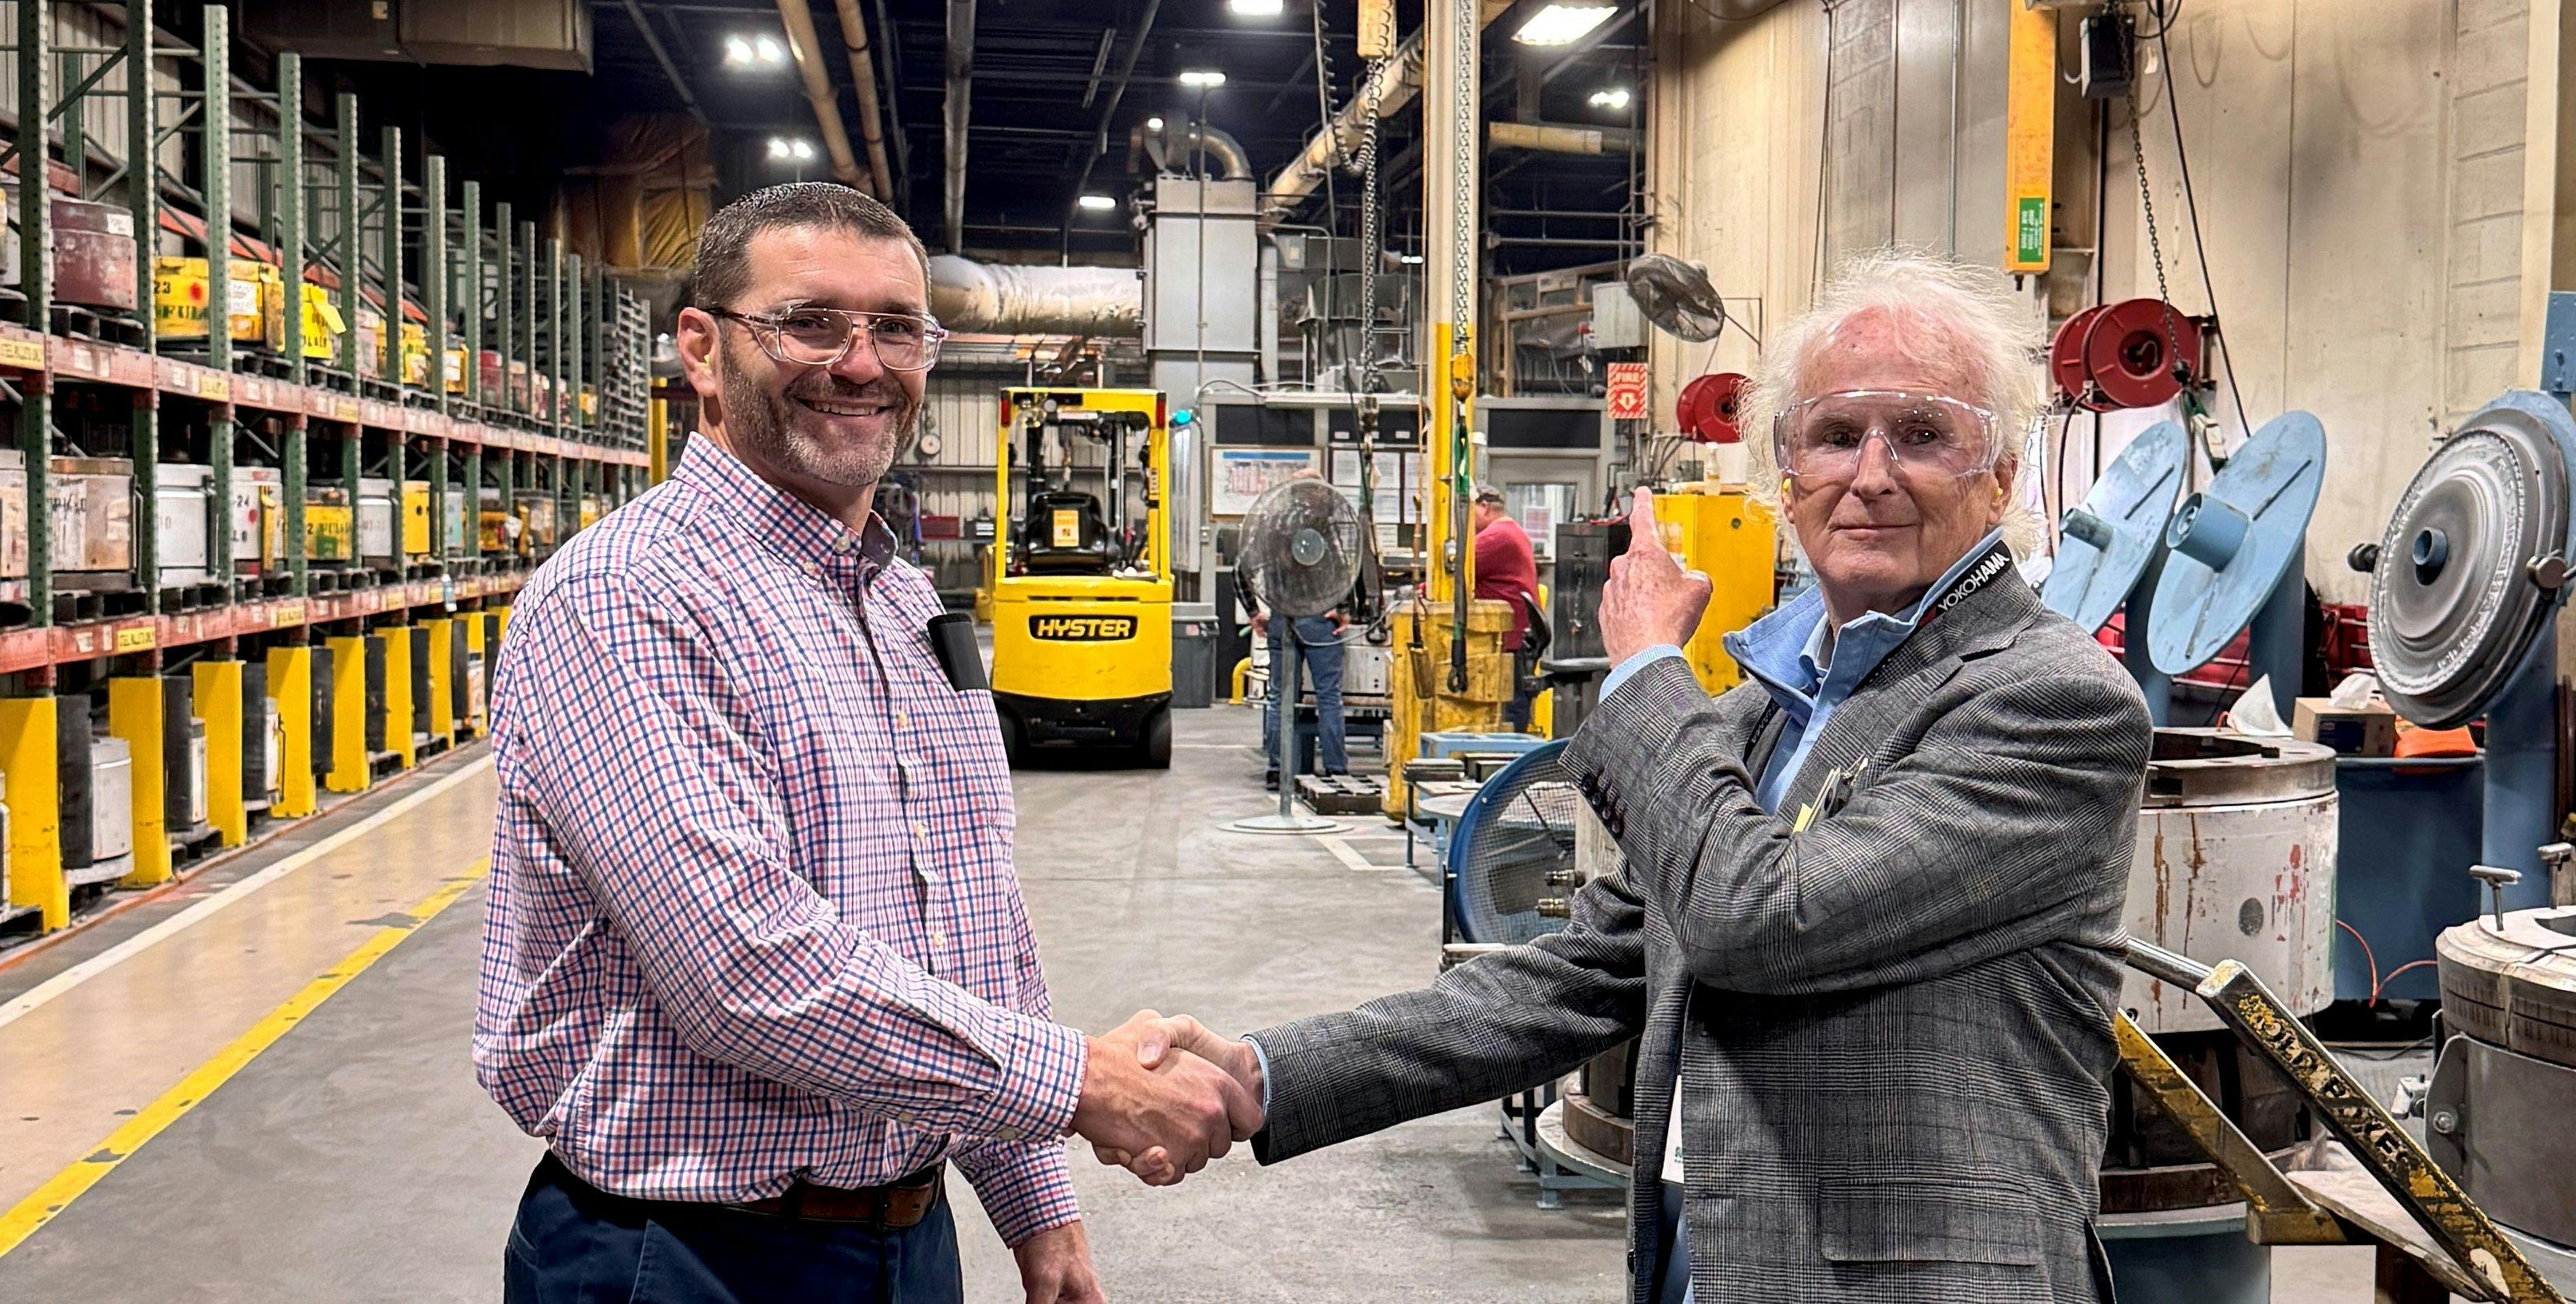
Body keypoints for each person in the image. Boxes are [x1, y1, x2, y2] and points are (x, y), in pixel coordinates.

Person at [1138, 248, 2155, 1304]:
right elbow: (1587, 968)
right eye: (1837, 433)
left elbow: (1761, 918)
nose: (1871, 472)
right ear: (1786, 470)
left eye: (1924, 432)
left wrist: (1646, 674)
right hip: (1710, 1266)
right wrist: (1264, 1075)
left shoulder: (2049, 700)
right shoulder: (1774, 705)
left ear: (1999, 475)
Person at [477, 183, 1259, 1304]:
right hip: (685, 1260)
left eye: (896, 326)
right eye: (809, 321)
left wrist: (1037, 1208)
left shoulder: (900, 604)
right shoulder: (626, 596)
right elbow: (745, 970)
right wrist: (1082, 1082)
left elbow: (976, 931)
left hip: (907, 1241)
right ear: (702, 347)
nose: (860, 362)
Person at [1241, 577, 1349, 788]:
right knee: (1328, 698)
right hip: (1321, 618)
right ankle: (1336, 770)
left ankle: (1277, 771)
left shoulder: (1269, 543)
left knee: (1280, 698)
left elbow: (1239, 570)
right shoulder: (1326, 542)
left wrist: (1253, 612)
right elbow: (1344, 568)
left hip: (1281, 618)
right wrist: (1343, 610)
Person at [1467, 481, 1545, 656]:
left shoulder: (1496, 536)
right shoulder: (1512, 530)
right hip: (1517, 635)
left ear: (1484, 507)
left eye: (1469, 510)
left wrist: (1422, 590)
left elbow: (1456, 577)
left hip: (1508, 640)